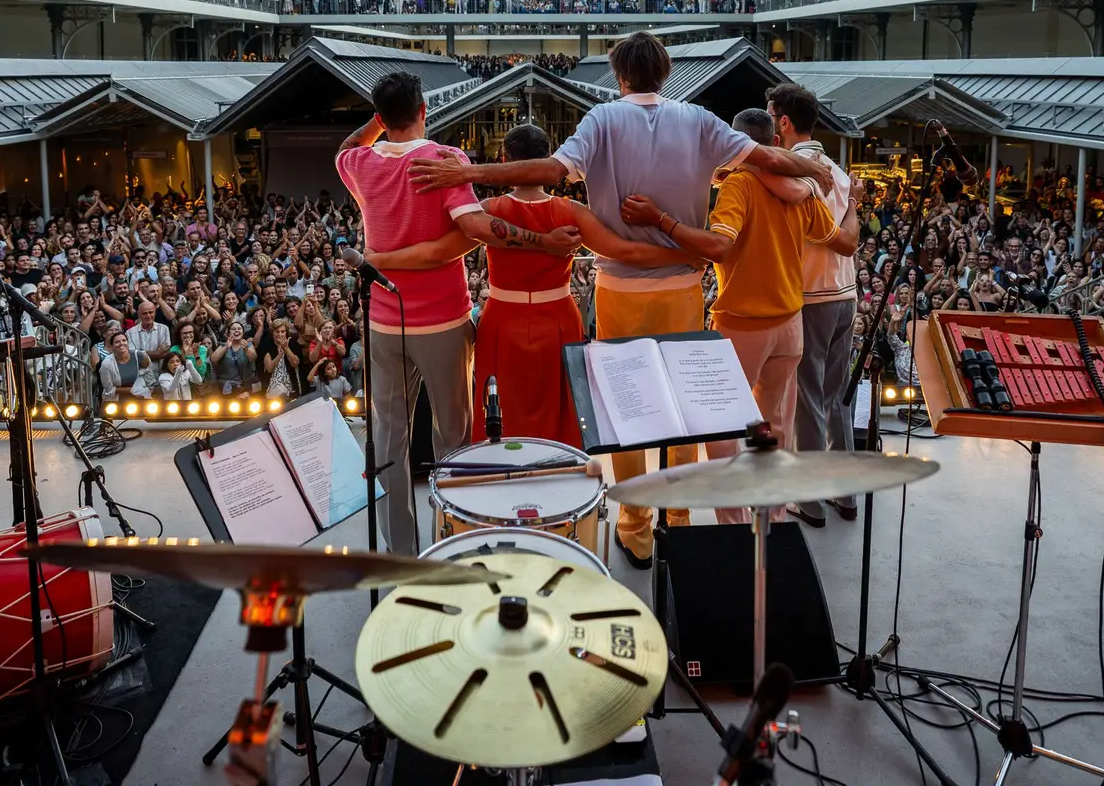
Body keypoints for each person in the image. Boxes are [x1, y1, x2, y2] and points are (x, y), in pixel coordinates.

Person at [409, 31, 831, 567]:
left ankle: (636, 525)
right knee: (683, 411)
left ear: (619, 76)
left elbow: (549, 172)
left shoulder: (602, 120)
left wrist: (469, 172)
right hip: (682, 285)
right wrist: (814, 168)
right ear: (666, 71)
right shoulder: (700, 120)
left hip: (619, 289)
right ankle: (678, 517)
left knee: (628, 411)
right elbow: (768, 157)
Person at [337, 71, 582, 554]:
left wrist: (379, 118)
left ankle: (402, 553)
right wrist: (544, 242)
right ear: (424, 110)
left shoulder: (357, 163)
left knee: (387, 441)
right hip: (442, 322)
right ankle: (457, 542)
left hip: (383, 323)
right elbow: (477, 226)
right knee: (453, 438)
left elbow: (349, 143)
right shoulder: (443, 160)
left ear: (382, 119)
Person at [370, 122, 703, 447]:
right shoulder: (572, 212)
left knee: (501, 415)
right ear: (545, 161)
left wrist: (379, 259)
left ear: (504, 160)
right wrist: (683, 254)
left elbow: (439, 252)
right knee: (560, 414)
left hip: (503, 320)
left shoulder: (489, 210)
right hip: (558, 318)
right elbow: (626, 251)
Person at [622, 107, 859, 524]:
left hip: (743, 323)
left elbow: (718, 247)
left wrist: (659, 219)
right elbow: (845, 243)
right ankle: (771, 516)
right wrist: (853, 202)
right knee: (776, 425)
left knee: (721, 426)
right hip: (791, 324)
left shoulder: (741, 186)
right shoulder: (802, 189)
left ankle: (732, 525)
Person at [765, 84, 860, 527]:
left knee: (808, 399)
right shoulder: (839, 171)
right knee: (836, 397)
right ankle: (844, 493)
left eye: (770, 119)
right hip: (846, 294)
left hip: (812, 295)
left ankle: (811, 501)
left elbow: (794, 202)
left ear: (783, 122)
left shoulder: (802, 172)